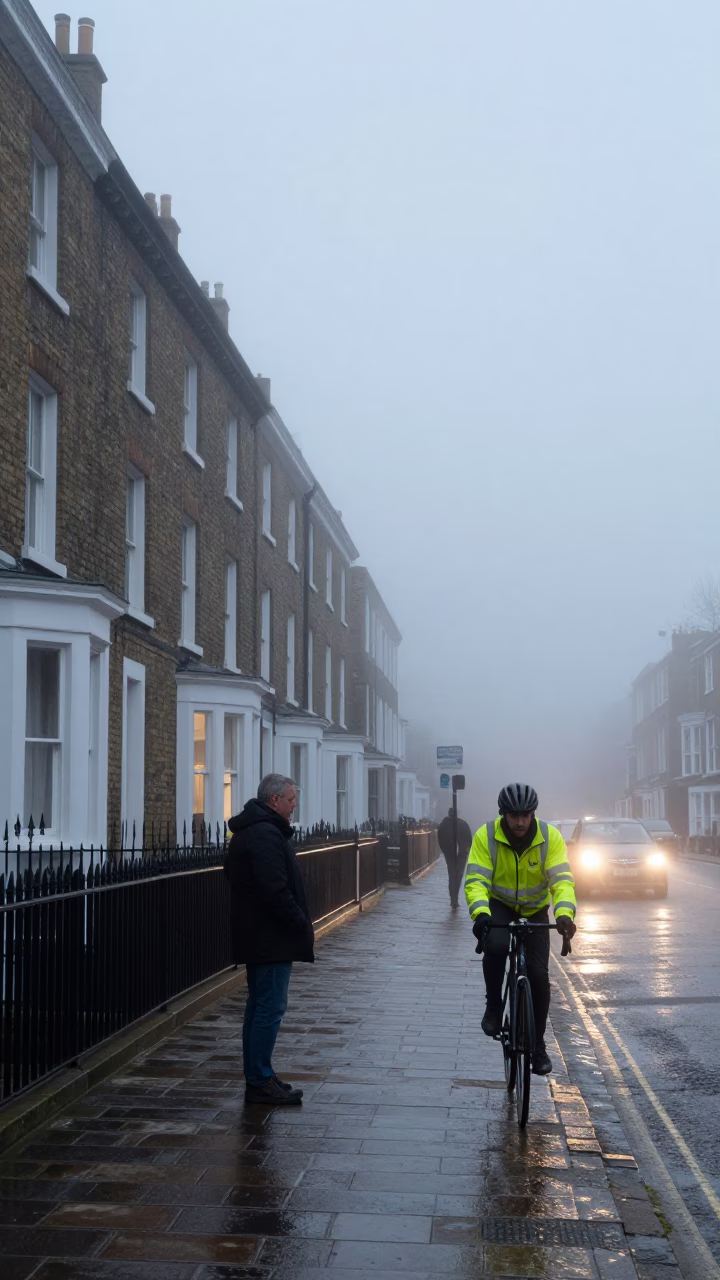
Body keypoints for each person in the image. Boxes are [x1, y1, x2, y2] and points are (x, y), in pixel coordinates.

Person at [464, 783, 577, 1075]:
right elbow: (476, 880)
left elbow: (562, 880)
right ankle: (493, 1006)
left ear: (533, 814)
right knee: (498, 945)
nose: (520, 821)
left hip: (536, 909)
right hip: (499, 906)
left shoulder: (549, 836)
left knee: (539, 976)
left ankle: (538, 1046)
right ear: (503, 814)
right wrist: (481, 913)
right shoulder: (486, 835)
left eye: (525, 815)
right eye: (514, 815)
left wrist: (564, 913)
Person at [225, 773, 315, 1105]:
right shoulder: (263, 833)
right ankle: (260, 1080)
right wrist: (299, 922)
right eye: (291, 800)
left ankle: (260, 1075)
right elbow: (273, 889)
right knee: (269, 1008)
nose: (295, 806)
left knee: (260, 1007)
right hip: (269, 938)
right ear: (274, 800)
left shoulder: (254, 830)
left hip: (260, 935)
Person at [437, 807, 473, 908]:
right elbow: (470, 839)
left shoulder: (443, 825)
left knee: (452, 875)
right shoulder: (463, 824)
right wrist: (467, 850)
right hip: (461, 853)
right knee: (458, 875)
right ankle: (455, 898)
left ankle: (453, 898)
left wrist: (445, 850)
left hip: (451, 853)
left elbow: (440, 839)